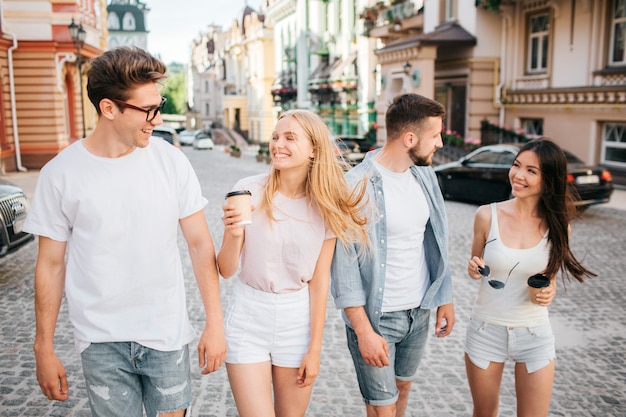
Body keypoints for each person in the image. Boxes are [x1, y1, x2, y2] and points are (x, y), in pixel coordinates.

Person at [24, 46, 226, 417]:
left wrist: (215, 324)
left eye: (158, 103)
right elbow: (50, 265)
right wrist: (44, 347)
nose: (157, 117)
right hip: (100, 339)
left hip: (165, 332)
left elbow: (199, 245)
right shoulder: (60, 173)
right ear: (109, 108)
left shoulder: (171, 162)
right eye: (148, 109)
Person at [217, 109, 369, 417]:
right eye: (275, 137)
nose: (278, 144)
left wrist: (315, 348)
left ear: (314, 149)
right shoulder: (249, 190)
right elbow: (226, 269)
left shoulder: (327, 206)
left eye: (289, 138)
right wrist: (233, 235)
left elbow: (320, 281)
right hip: (248, 315)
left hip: (296, 322)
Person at [331, 93, 455, 417]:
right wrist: (364, 331)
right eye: (435, 135)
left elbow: (437, 238)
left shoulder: (425, 175)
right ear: (409, 138)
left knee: (401, 393)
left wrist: (445, 297)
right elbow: (344, 270)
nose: (440, 143)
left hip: (419, 312)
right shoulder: (355, 185)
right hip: (378, 319)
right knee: (381, 407)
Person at [465, 138, 596, 417]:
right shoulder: (486, 215)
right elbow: (475, 267)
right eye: (516, 166)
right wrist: (474, 268)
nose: (518, 175)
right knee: (484, 413)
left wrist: (550, 291)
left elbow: (550, 280)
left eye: (531, 171)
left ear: (549, 179)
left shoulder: (559, 226)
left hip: (534, 333)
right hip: (487, 330)